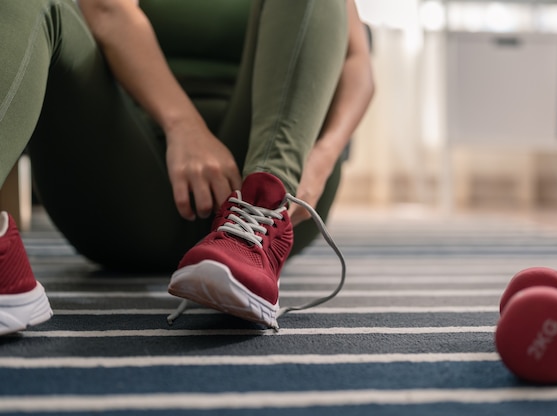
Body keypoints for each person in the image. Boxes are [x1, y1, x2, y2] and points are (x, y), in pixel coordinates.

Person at [0, 0, 374, 333]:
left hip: (281, 202)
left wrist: (322, 159)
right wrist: (184, 126)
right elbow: (106, 8)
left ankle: (257, 219)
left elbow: (357, 65)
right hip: (122, 183)